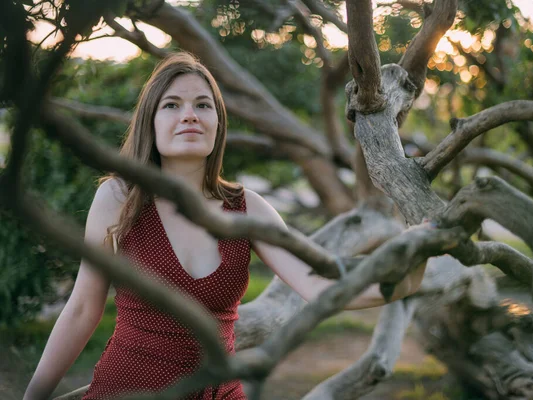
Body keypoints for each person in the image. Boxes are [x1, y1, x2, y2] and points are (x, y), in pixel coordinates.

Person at [23, 52, 427, 400]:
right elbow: (81, 309)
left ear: (218, 124)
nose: (189, 116)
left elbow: (320, 285)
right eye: (172, 105)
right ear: (151, 121)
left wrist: (412, 265)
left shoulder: (247, 208)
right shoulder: (119, 198)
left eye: (203, 105)